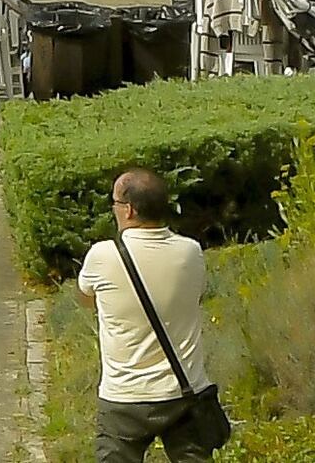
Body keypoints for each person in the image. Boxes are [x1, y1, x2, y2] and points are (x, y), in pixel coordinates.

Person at [77, 167, 208, 463]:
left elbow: (85, 298)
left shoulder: (103, 255)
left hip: (124, 396)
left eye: (115, 203)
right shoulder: (191, 252)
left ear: (130, 210)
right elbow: (196, 296)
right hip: (184, 392)